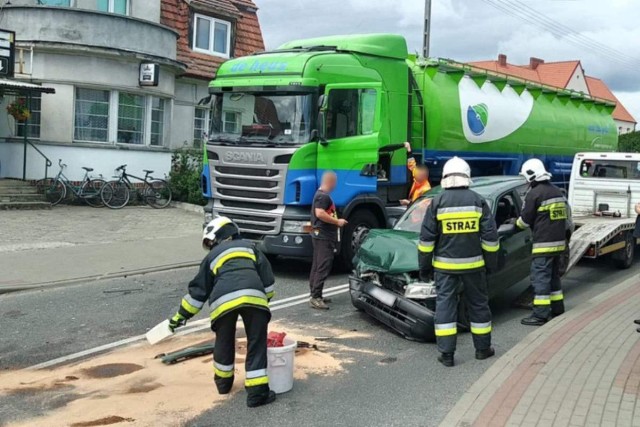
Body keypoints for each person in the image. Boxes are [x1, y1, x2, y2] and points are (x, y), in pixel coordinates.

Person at [167, 216, 277, 408]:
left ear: (217, 237)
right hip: (254, 298)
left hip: (222, 302)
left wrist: (180, 316)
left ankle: (223, 385)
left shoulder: (211, 257)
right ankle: (257, 395)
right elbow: (268, 281)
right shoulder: (250, 247)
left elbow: (198, 293)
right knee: (256, 344)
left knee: (224, 342)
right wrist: (262, 301)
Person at [418, 156, 499, 367]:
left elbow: (426, 241)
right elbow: (491, 239)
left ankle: (446, 355)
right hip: (474, 266)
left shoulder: (437, 202)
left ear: (445, 177)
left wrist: (424, 268)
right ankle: (482, 350)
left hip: (444, 268)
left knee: (445, 306)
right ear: (467, 175)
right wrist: (491, 264)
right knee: (479, 305)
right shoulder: (478, 201)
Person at [516, 158, 572, 326]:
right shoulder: (556, 191)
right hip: (559, 243)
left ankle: (540, 315)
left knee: (540, 279)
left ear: (531, 175)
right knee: (554, 277)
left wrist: (514, 223)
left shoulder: (534, 194)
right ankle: (557, 309)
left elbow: (524, 222)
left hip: (543, 245)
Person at [309, 171, 347, 310]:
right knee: (323, 265)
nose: (335, 185)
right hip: (324, 236)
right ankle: (316, 297)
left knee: (317, 264)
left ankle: (315, 293)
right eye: (335, 182)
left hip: (320, 235)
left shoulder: (319, 195)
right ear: (330, 182)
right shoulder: (323, 197)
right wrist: (337, 222)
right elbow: (320, 213)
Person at [400, 141, 431, 206]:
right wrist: (408, 149)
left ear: (425, 176)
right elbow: (412, 163)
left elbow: (422, 206)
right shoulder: (416, 174)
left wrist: (408, 203)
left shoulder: (426, 189)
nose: (417, 176)